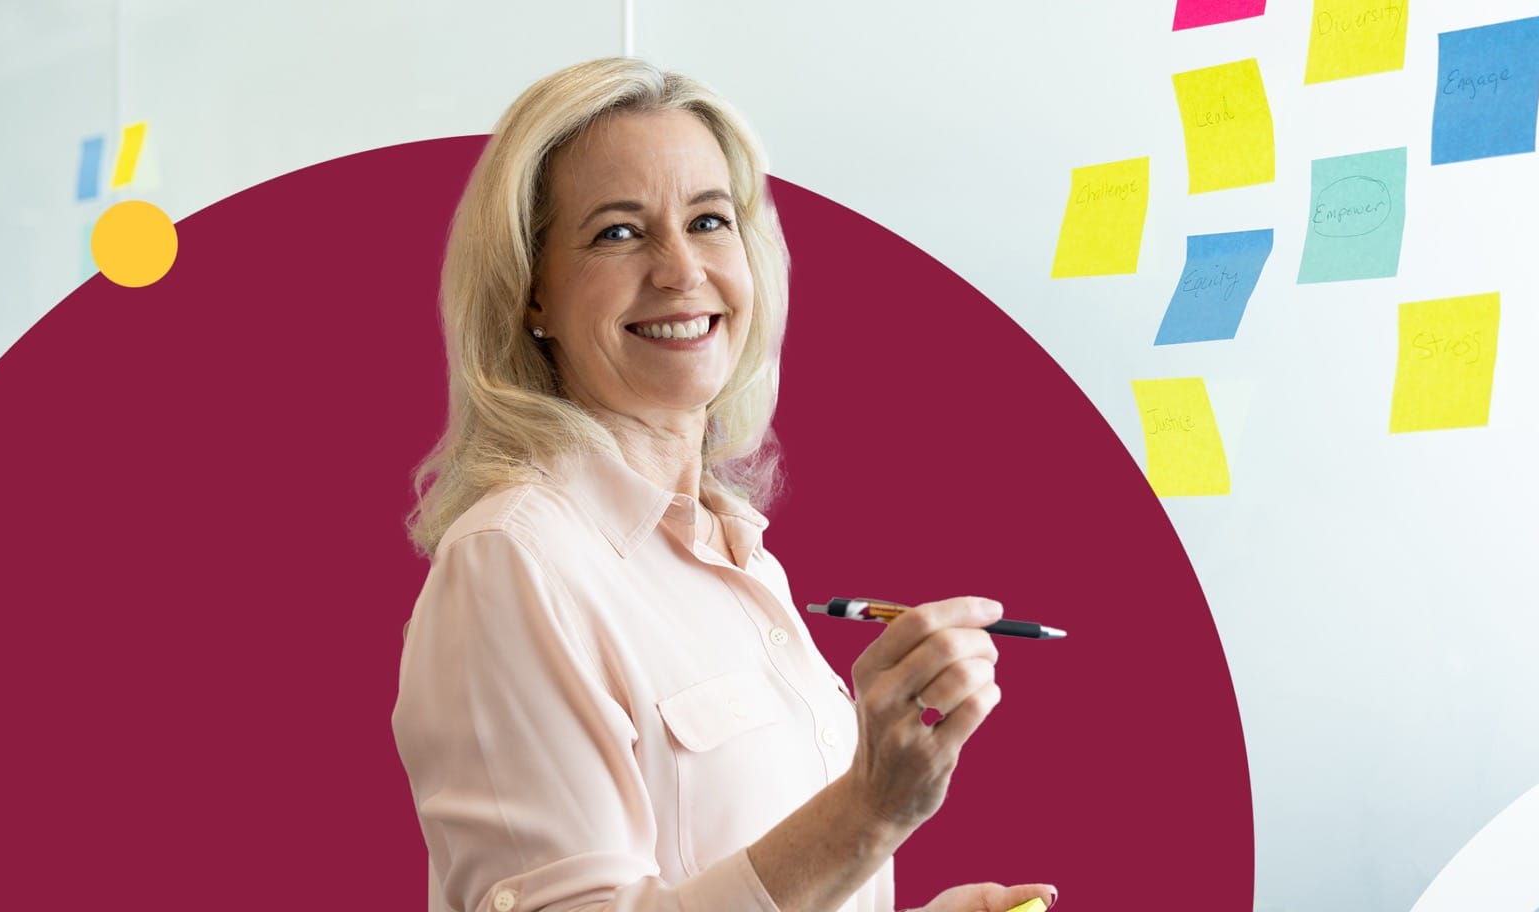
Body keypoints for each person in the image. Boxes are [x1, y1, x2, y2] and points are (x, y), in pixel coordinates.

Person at [392, 57, 1055, 912]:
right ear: (532, 295)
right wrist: (867, 814)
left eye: (708, 220)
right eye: (618, 233)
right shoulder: (513, 562)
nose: (679, 271)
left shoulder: (737, 555)